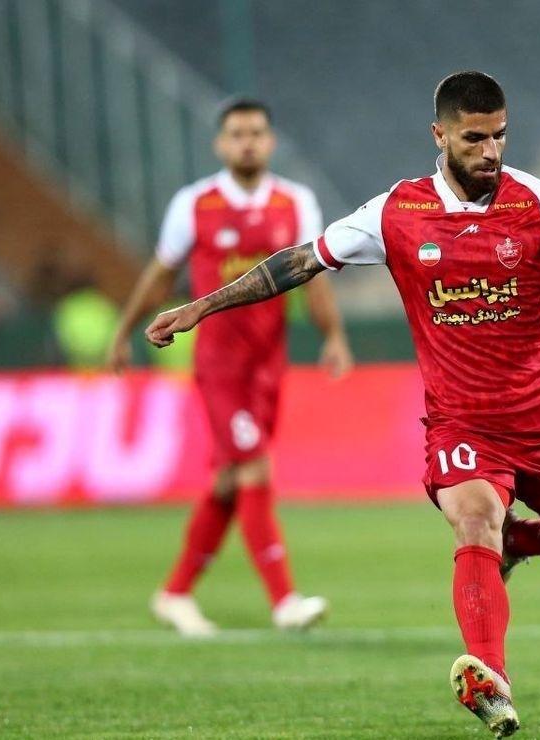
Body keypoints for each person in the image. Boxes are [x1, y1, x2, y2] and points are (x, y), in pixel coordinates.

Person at [144, 72, 540, 735]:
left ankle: (519, 538)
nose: (491, 150)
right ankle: (492, 679)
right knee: (474, 521)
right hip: (463, 422)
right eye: (475, 138)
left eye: (500, 136)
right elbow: (300, 262)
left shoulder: (538, 204)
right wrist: (200, 307)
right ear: (441, 135)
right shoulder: (395, 213)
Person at [109, 98, 353, 636]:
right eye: (237, 134)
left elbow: (312, 276)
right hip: (220, 366)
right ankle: (285, 601)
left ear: (270, 142)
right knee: (254, 469)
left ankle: (174, 594)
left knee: (228, 481)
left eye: (256, 133)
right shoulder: (194, 204)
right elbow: (161, 274)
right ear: (221, 144)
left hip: (269, 365)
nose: (247, 142)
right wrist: (125, 331)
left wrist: (333, 336)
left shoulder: (296, 202)